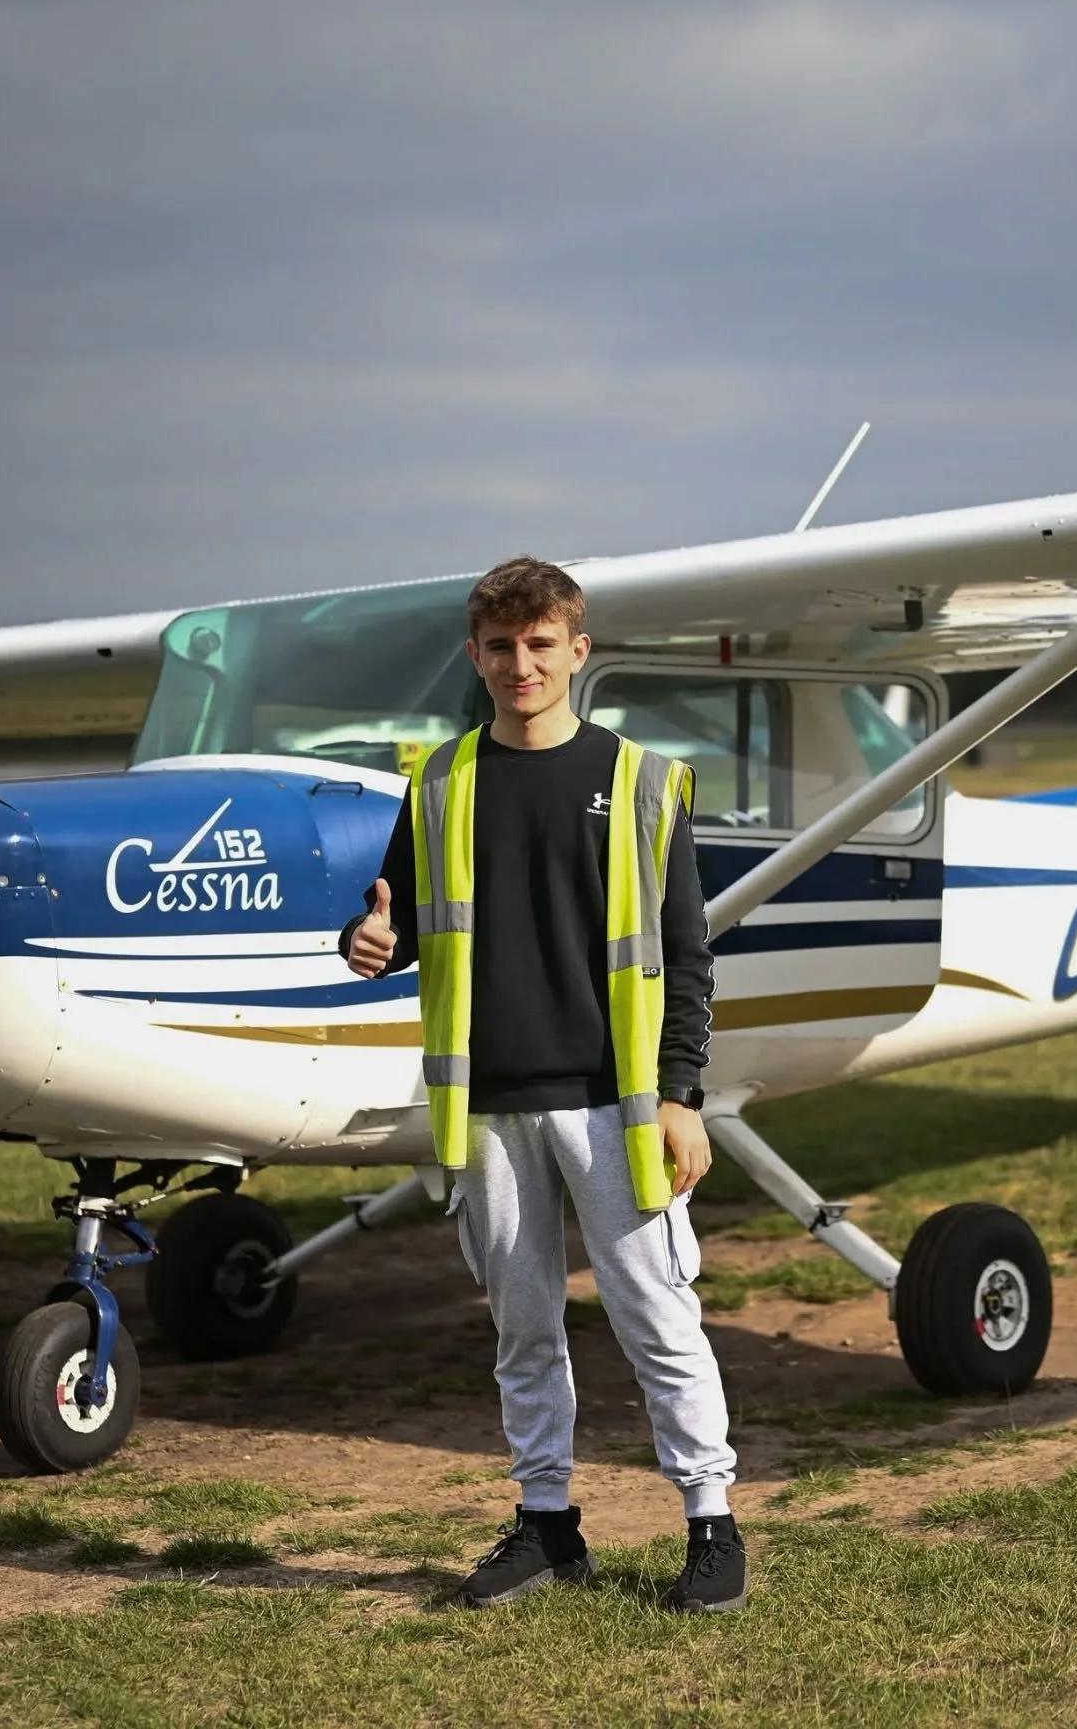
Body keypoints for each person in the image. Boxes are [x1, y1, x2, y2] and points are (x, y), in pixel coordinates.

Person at [339, 556, 744, 1613]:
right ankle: (548, 1524)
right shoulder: (438, 784)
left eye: (539, 645)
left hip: (616, 1104)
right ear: (475, 658)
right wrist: (371, 936)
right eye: (500, 648)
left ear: (577, 650)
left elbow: (688, 958)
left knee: (656, 1314)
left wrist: (680, 1091)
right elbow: (408, 922)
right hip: (487, 1108)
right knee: (522, 1329)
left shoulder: (647, 782)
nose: (520, 664)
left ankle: (711, 1521)